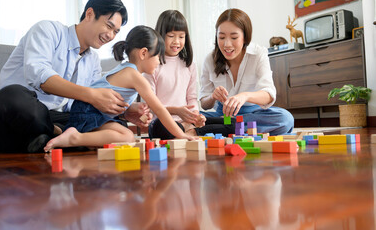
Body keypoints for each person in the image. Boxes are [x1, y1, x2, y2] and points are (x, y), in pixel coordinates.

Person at [0, 0, 149, 153]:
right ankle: (57, 135)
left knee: (120, 130)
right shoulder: (48, 30)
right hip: (12, 114)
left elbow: (90, 106)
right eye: (108, 26)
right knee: (12, 96)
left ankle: (48, 139)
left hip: (55, 117)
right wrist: (91, 94)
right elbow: (39, 76)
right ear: (89, 14)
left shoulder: (93, 60)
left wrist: (122, 111)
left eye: (116, 32)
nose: (110, 35)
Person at [44, 25, 196, 151]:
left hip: (90, 112)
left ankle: (65, 133)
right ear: (143, 53)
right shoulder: (135, 76)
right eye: (157, 56)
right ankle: (75, 138)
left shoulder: (126, 69)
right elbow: (159, 109)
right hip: (90, 112)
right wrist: (181, 135)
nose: (159, 62)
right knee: (127, 137)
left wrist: (138, 112)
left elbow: (122, 105)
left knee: (115, 137)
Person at [199, 8, 294, 136]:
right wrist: (212, 97)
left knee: (285, 119)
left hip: (253, 113)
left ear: (245, 37)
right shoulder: (210, 59)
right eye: (221, 37)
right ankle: (229, 127)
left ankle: (223, 127)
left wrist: (245, 96)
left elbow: (269, 94)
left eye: (234, 37)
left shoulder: (258, 53)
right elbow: (204, 104)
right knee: (191, 117)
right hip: (221, 114)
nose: (227, 44)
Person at [144, 10, 236, 139]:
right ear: (160, 35)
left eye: (181, 37)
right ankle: (186, 133)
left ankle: (190, 133)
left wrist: (196, 116)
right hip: (165, 123)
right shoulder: (152, 64)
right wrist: (177, 111)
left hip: (188, 122)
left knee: (232, 123)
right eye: (171, 36)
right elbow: (151, 106)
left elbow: (192, 97)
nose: (176, 41)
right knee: (158, 127)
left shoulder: (189, 64)